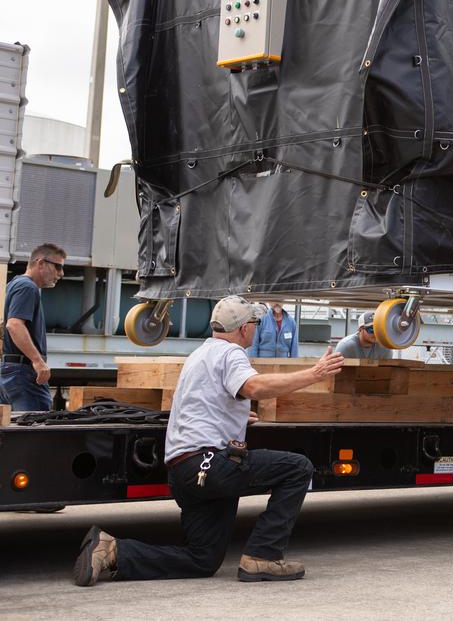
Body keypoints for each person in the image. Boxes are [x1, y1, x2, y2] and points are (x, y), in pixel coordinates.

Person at [73, 295, 345, 586]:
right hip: (209, 464)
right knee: (298, 468)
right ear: (243, 328)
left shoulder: (199, 354)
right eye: (255, 323)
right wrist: (315, 373)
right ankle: (263, 556)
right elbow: (254, 386)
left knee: (203, 559)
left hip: (183, 471)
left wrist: (232, 414)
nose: (256, 328)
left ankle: (113, 549)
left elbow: (200, 401)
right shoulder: (231, 353)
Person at [1, 243, 66, 411]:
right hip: (23, 373)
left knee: (9, 425)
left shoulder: (15, 284)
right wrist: (38, 361)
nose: (61, 273)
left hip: (10, 370)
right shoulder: (27, 287)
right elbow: (14, 325)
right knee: (36, 424)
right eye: (58, 267)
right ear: (41, 263)